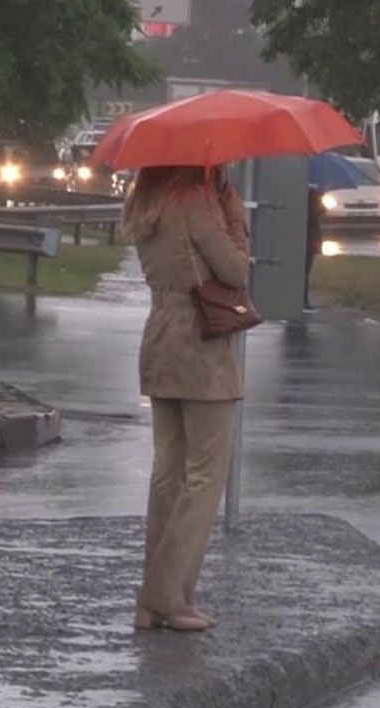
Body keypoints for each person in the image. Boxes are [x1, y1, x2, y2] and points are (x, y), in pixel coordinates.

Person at [121, 165, 251, 633]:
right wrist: (235, 217)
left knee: (168, 472)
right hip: (200, 346)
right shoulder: (196, 202)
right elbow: (234, 268)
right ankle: (163, 593)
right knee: (205, 474)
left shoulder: (145, 201)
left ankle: (164, 600)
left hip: (159, 336)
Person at [304, 185, 325, 311]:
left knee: (303, 272)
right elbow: (320, 211)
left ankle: (302, 299)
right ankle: (303, 300)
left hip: (307, 240)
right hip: (309, 241)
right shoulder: (312, 196)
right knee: (305, 272)